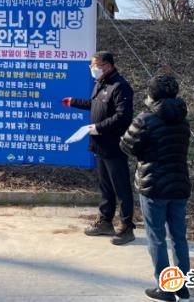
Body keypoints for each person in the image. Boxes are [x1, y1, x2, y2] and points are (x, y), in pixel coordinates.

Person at [120, 75, 191, 302]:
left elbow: (126, 146)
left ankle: (165, 288)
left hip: (153, 185)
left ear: (152, 94)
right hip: (179, 184)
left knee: (157, 237)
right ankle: (182, 286)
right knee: (179, 237)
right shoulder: (183, 120)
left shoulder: (145, 120)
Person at [62, 51, 135, 245]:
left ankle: (127, 227)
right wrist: (74, 102)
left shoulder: (120, 87)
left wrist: (98, 127)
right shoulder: (100, 84)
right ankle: (105, 221)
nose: (91, 68)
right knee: (105, 187)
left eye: (95, 65)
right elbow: (96, 106)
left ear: (108, 66)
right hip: (99, 145)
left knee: (121, 188)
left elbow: (123, 117)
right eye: (91, 65)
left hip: (114, 146)